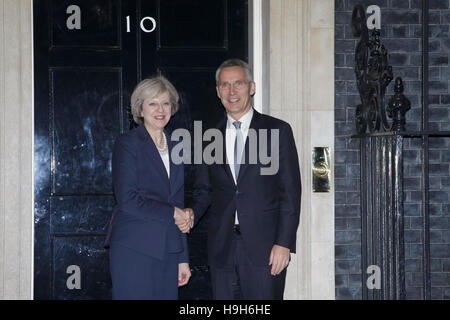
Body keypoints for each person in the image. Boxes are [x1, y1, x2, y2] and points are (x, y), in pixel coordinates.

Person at [179, 59, 301, 300]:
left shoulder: (278, 131)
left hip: (266, 250)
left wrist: (284, 243)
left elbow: (290, 193)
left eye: (238, 83)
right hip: (222, 249)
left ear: (252, 87)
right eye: (225, 85)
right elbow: (204, 191)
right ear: (217, 92)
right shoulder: (208, 137)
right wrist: (191, 213)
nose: (232, 91)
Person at [105, 76, 192, 300]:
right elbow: (128, 199)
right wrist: (173, 212)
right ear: (140, 110)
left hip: (168, 248)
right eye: (152, 103)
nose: (160, 109)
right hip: (134, 246)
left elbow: (178, 203)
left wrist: (182, 257)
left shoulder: (177, 146)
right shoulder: (128, 143)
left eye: (165, 103)